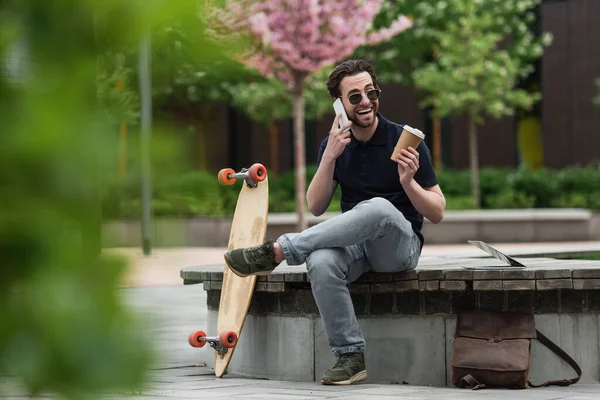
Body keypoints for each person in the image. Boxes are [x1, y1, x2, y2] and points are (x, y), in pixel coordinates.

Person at [224, 59, 446, 385]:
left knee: (379, 208)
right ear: (339, 105)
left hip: (399, 248)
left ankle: (278, 251)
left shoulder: (405, 141)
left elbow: (437, 211)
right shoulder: (335, 146)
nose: (366, 101)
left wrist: (409, 182)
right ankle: (349, 355)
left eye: (371, 92)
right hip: (356, 246)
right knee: (321, 259)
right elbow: (315, 205)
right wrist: (330, 156)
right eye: (354, 97)